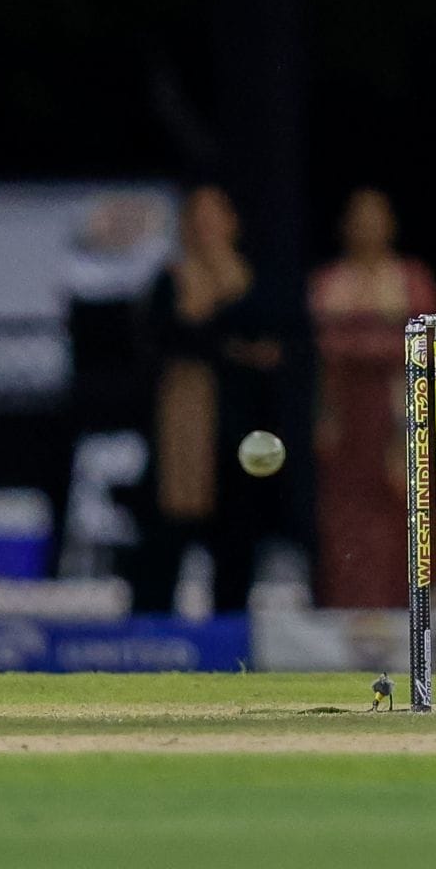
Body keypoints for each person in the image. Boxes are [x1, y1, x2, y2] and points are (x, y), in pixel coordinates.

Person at [120, 183, 285, 614]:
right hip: (183, 436)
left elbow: (271, 343)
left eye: (214, 218)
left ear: (233, 224)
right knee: (166, 541)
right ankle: (151, 642)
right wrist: (230, 346)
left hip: (242, 433)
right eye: (195, 220)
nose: (204, 229)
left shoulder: (254, 280)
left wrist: (220, 339)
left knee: (237, 544)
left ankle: (230, 645)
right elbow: (171, 339)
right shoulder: (170, 281)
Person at [306, 188, 436, 608]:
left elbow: (425, 342)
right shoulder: (328, 282)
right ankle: (344, 610)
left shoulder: (410, 278)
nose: (366, 228)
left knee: (403, 508)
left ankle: (411, 614)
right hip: (344, 417)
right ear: (345, 227)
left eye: (375, 218)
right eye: (358, 219)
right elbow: (318, 351)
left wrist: (360, 345)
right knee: (344, 516)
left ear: (390, 225)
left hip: (398, 414)